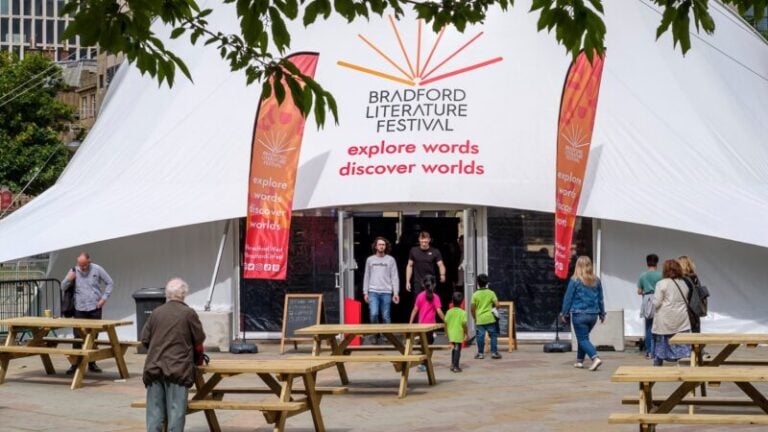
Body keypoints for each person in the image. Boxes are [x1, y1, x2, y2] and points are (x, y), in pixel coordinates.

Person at [141, 278, 206, 432]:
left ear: (167, 294)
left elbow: (145, 339)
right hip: (178, 369)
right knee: (176, 413)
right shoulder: (188, 313)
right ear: (183, 295)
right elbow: (199, 340)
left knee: (154, 415)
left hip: (154, 368)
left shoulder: (156, 312)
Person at [61, 252, 114, 374]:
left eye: (84, 265)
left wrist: (103, 299)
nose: (82, 268)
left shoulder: (97, 269)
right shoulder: (74, 270)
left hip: (95, 307)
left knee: (93, 336)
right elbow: (63, 287)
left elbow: (110, 282)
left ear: (89, 261)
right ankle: (75, 364)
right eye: (80, 265)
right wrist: (69, 279)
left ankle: (92, 363)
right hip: (79, 308)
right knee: (78, 337)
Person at [560, 256, 605, 371]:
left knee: (582, 339)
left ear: (577, 266)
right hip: (593, 315)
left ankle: (595, 358)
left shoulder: (575, 280)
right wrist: (602, 313)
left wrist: (564, 313)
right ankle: (579, 361)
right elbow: (600, 298)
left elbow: (568, 298)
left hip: (579, 314)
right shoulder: (596, 280)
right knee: (584, 337)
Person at [651, 259, 692, 366]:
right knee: (682, 347)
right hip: (681, 320)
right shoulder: (683, 283)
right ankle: (684, 365)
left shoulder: (661, 283)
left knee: (661, 346)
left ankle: (657, 368)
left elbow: (657, 303)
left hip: (665, 320)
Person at [363, 237, 400, 344]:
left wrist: (396, 292)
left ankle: (386, 336)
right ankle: (375, 334)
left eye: (383, 244)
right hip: (373, 291)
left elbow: (394, 277)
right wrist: (365, 292)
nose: (381, 246)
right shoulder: (370, 260)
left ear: (386, 246)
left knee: (385, 315)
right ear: (375, 246)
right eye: (379, 244)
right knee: (373, 314)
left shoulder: (391, 260)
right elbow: (367, 276)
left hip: (386, 292)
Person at [409, 275, 445, 372]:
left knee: (425, 345)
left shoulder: (420, 296)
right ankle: (425, 363)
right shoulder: (435, 297)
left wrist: (410, 322)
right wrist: (446, 320)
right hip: (430, 326)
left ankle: (424, 362)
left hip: (421, 326)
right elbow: (439, 311)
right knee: (429, 344)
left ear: (423, 285)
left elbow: (415, 310)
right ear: (434, 285)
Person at [637, 253, 662, 359]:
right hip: (658, 299)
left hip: (647, 299)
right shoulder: (661, 275)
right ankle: (659, 349)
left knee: (648, 326)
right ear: (657, 263)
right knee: (659, 326)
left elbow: (639, 291)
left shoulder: (643, 275)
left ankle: (649, 351)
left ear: (647, 263)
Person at [471, 273, 502, 360]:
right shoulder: (491, 293)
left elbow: (472, 309)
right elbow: (498, 305)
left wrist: (475, 317)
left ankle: (480, 353)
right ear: (487, 283)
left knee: (480, 336)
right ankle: (494, 352)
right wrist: (494, 309)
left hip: (480, 319)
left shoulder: (475, 294)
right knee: (493, 335)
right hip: (490, 318)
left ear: (478, 283)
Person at [678, 255, 704, 333]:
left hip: (684, 308)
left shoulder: (681, 279)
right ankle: (696, 344)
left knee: (683, 332)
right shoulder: (694, 277)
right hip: (695, 307)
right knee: (695, 331)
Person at [444, 291, 468, 372]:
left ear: (452, 301)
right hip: (458, 333)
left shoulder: (449, 312)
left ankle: (452, 364)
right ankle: (456, 366)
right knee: (458, 349)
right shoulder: (463, 313)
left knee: (454, 349)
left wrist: (446, 333)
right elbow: (464, 325)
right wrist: (466, 333)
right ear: (461, 302)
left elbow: (445, 323)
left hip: (451, 333)